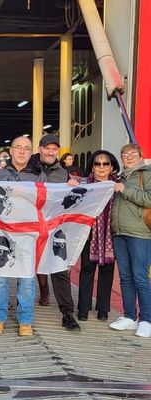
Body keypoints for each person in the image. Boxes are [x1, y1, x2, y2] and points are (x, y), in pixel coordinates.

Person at [0, 136, 38, 336]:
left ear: (31, 152)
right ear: (11, 151)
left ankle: (25, 320)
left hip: (27, 235)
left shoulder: (38, 176)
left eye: (27, 148)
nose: (22, 152)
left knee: (26, 278)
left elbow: (50, 198)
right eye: (18, 148)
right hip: (1, 232)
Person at [30, 134, 81, 331]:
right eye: (47, 148)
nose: (51, 152)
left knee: (59, 267)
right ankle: (41, 291)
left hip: (55, 226)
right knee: (31, 264)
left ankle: (67, 312)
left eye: (55, 149)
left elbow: (73, 195)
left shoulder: (63, 173)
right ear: (40, 148)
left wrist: (74, 185)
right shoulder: (28, 168)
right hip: (31, 225)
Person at [110, 143, 151, 337]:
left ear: (141, 156)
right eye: (124, 154)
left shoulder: (147, 173)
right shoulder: (120, 176)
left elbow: (149, 199)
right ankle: (129, 316)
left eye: (132, 154)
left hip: (140, 233)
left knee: (140, 277)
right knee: (125, 277)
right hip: (119, 232)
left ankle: (147, 319)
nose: (127, 157)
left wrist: (124, 189)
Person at [77, 150, 120, 321]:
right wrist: (71, 182)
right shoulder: (85, 184)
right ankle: (83, 308)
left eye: (105, 164)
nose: (101, 167)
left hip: (111, 235)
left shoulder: (118, 185)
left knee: (107, 271)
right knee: (86, 269)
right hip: (89, 234)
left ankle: (103, 309)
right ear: (92, 167)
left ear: (111, 167)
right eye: (97, 163)